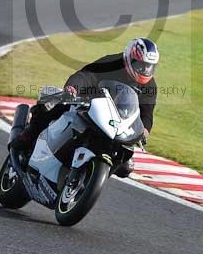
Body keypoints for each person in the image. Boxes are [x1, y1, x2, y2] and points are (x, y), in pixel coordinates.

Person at [11, 37, 160, 178]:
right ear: (129, 59)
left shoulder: (149, 85)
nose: (145, 70)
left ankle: (90, 177)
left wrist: (144, 132)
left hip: (116, 122)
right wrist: (72, 89)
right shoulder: (111, 63)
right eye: (141, 65)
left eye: (149, 67)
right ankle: (28, 135)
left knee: (126, 167)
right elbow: (86, 75)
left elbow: (147, 114)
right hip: (89, 104)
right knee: (52, 106)